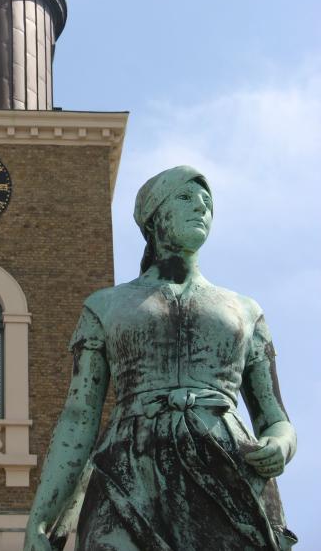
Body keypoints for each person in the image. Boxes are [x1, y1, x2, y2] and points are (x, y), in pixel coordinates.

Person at [23, 165, 297, 551]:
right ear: (152, 218)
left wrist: (281, 444)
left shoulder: (245, 310)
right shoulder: (105, 306)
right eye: (184, 198)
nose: (200, 207)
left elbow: (274, 418)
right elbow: (78, 417)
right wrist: (41, 517)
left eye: (207, 202)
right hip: (129, 469)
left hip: (227, 466)